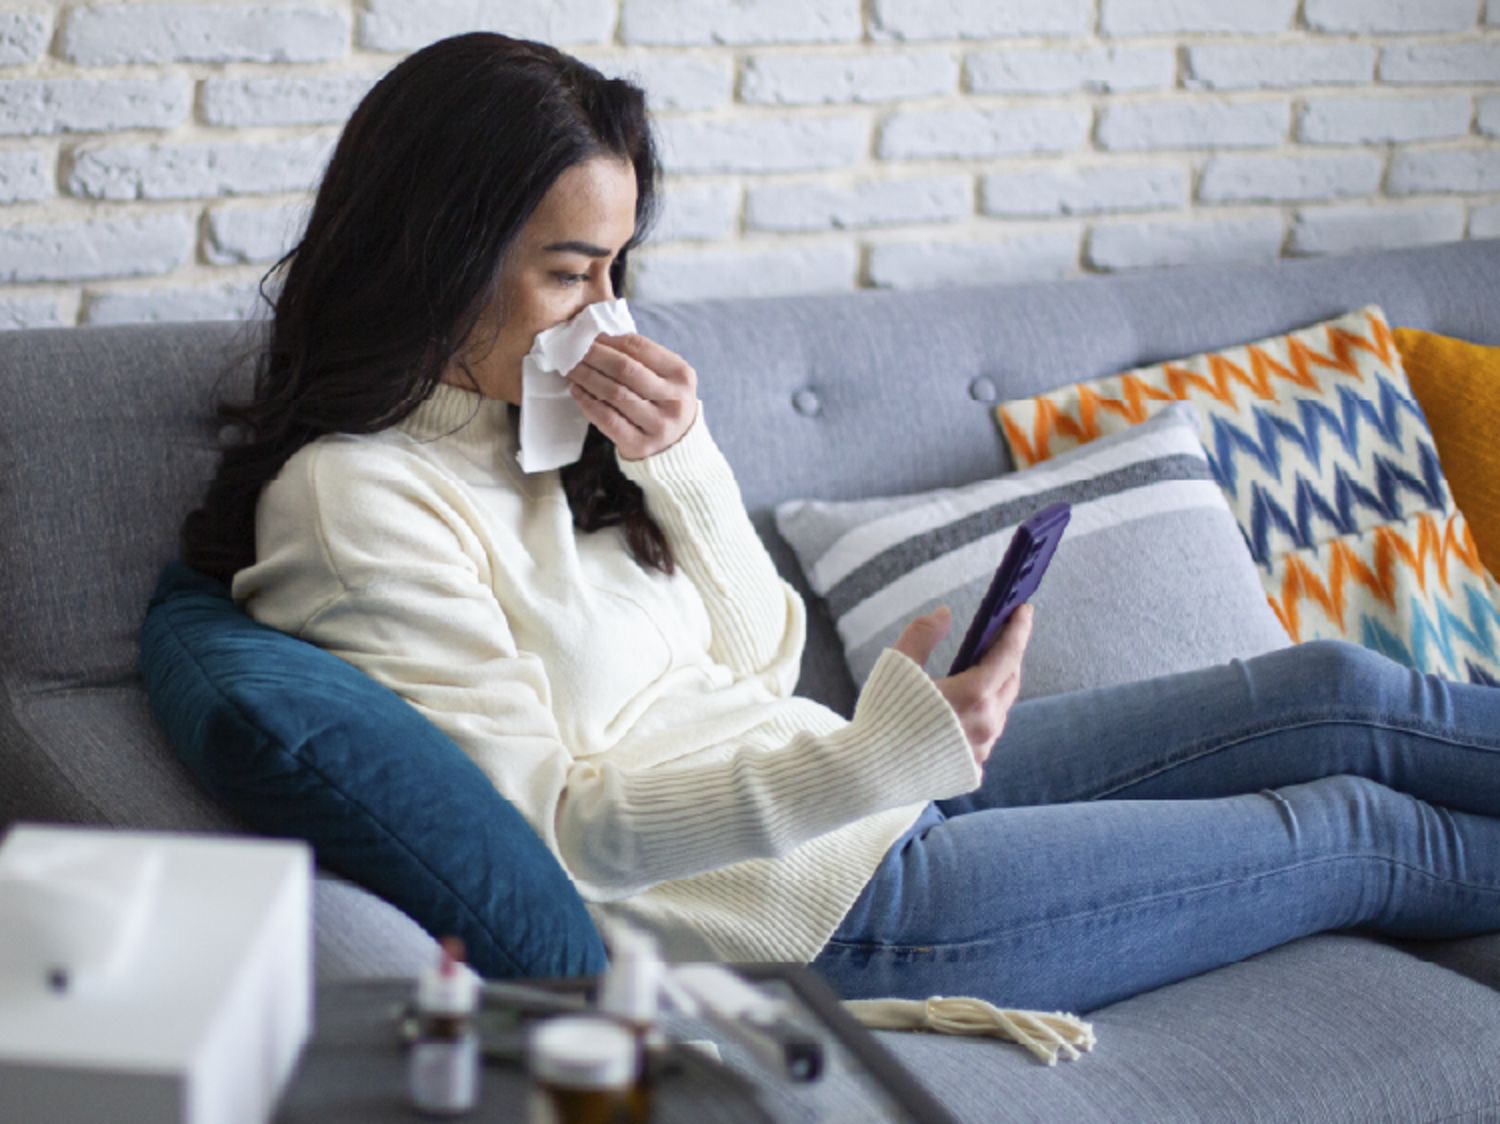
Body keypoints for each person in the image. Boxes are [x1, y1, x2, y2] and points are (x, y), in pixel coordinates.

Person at [181, 31, 1500, 1018]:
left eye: (619, 267)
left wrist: (680, 462)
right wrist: (879, 763)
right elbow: (559, 836)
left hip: (846, 786)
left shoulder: (554, 429)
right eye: (571, 272)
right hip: (816, 912)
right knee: (1354, 832)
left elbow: (760, 661)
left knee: (1335, 691)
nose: (609, 314)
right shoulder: (358, 502)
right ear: (437, 256)